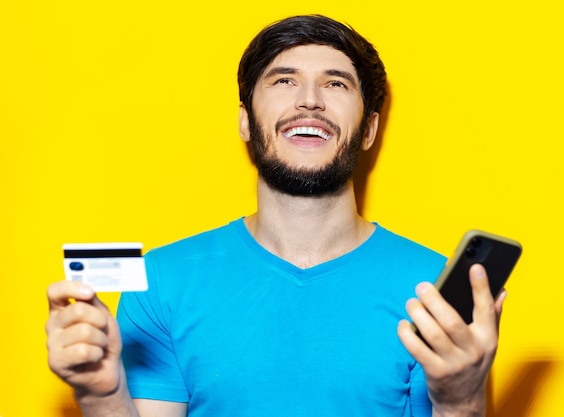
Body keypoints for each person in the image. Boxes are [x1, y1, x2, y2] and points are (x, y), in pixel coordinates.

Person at [46, 14, 505, 417]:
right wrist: (101, 394)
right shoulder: (162, 283)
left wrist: (460, 401)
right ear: (245, 121)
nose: (310, 101)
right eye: (284, 80)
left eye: (336, 83)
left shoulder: (435, 290)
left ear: (368, 129)